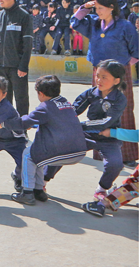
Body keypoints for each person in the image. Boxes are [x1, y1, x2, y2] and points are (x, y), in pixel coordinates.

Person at [45, 60, 128, 202]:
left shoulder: (119, 99)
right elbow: (73, 110)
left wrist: (79, 126)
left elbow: (106, 122)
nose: (99, 80)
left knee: (115, 164)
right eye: (98, 76)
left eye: (104, 77)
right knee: (60, 151)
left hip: (109, 137)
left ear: (116, 81)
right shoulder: (91, 93)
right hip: (87, 135)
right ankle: (42, 182)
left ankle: (102, 189)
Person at [71, 0, 138, 164]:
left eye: (101, 8)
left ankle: (127, 155)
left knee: (123, 108)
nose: (98, 11)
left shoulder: (125, 26)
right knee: (99, 109)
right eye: (96, 8)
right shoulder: (93, 23)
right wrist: (84, 7)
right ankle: (102, 152)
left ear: (111, 8)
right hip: (99, 72)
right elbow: (75, 23)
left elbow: (136, 50)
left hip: (119, 73)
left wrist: (122, 67)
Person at [2, 75, 87, 206]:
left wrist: (3, 124)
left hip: (60, 152)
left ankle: (27, 192)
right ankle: (38, 190)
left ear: (40, 93)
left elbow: (23, 122)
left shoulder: (45, 106)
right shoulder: (66, 103)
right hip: (79, 152)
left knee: (28, 155)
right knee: (37, 154)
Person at [0, 0, 33, 116]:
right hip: (0, 66)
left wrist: (23, 66)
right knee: (2, 99)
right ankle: (5, 129)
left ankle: (21, 129)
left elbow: (27, 44)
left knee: (21, 99)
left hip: (17, 67)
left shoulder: (24, 16)